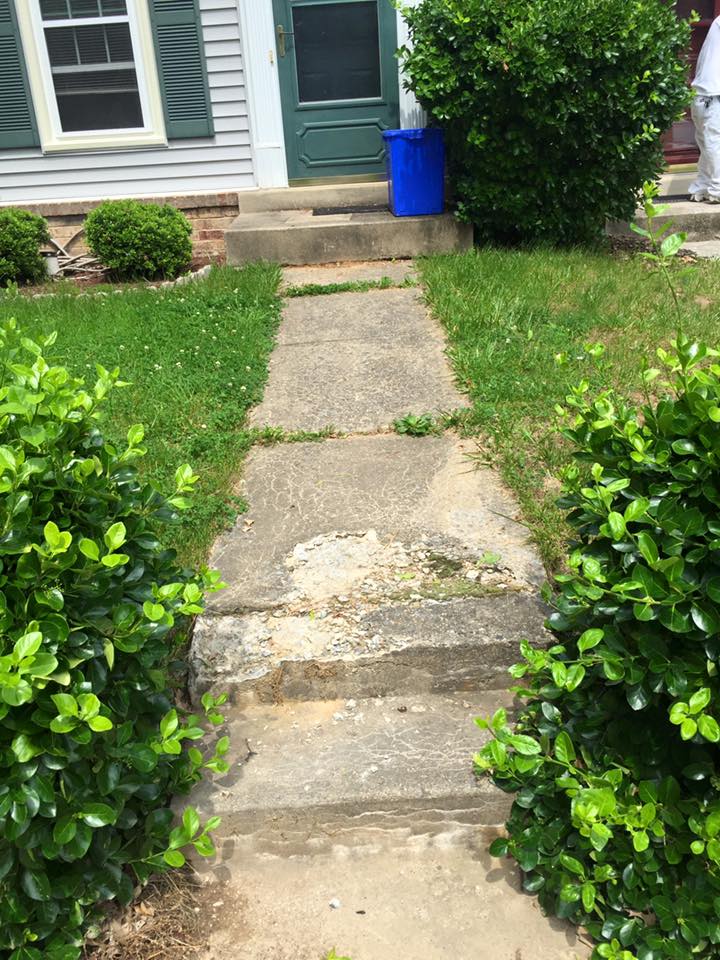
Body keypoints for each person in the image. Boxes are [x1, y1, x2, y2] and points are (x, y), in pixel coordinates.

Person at [689, 16, 720, 202]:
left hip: (702, 95)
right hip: (713, 97)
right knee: (714, 145)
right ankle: (717, 190)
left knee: (708, 145)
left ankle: (701, 187)